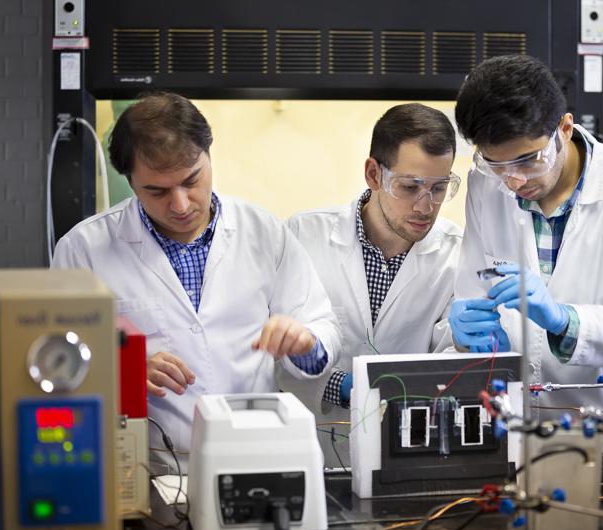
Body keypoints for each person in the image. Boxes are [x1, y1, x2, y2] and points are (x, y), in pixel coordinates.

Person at [51, 92, 341, 470]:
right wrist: (119, 368)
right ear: (131, 181)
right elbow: (56, 363)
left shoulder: (263, 231)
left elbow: (323, 326)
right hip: (151, 469)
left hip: (255, 459)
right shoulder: (84, 250)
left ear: (208, 154)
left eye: (191, 180)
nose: (181, 204)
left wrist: (304, 342)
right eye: (157, 191)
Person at [449, 55, 603, 451]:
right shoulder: (485, 184)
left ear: (565, 129)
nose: (513, 180)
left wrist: (563, 321)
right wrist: (468, 331)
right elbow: (472, 290)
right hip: (512, 436)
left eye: (528, 160)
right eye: (494, 163)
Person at [280, 103, 463, 467]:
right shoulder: (303, 236)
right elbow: (277, 352)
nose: (426, 207)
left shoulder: (457, 255)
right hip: (312, 449)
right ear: (373, 174)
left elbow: (451, 366)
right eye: (410, 187)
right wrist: (344, 387)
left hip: (410, 453)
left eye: (440, 188)